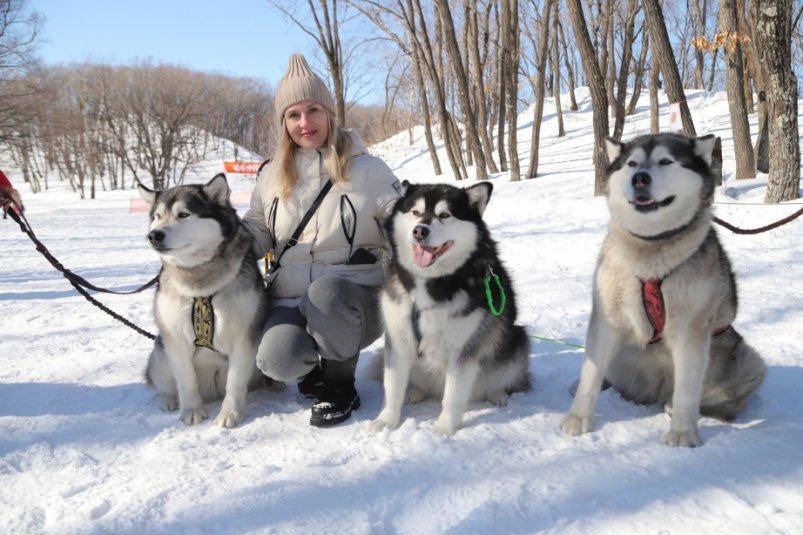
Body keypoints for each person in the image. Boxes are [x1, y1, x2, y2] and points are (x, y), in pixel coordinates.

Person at [242, 54, 402, 427]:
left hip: (355, 299)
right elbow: (256, 230)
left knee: (327, 291)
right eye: (293, 115)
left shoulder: (368, 169)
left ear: (329, 113)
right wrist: (215, 245)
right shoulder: (270, 177)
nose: (305, 122)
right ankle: (316, 364)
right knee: (276, 360)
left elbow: (401, 217)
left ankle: (339, 384)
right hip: (291, 296)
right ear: (283, 123)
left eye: (313, 110)